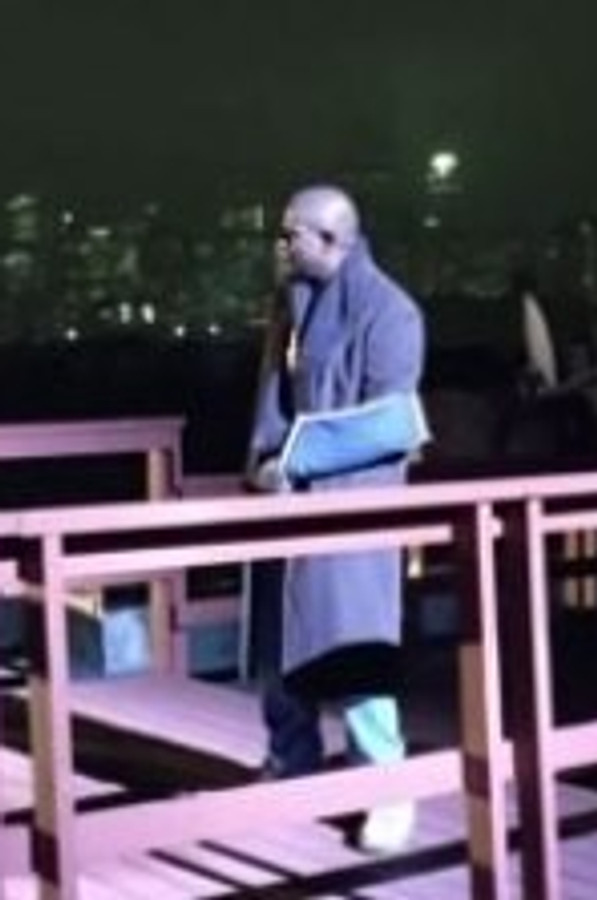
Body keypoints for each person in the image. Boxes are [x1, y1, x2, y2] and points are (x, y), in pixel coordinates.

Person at [246, 184, 427, 855]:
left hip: (357, 505)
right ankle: (290, 759)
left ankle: (387, 789)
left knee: (355, 651)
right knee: (278, 649)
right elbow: (274, 396)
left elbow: (390, 422)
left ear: (331, 239)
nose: (281, 244)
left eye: (291, 233)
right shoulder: (292, 304)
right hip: (290, 500)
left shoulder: (391, 312)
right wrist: (266, 461)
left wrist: (299, 459)